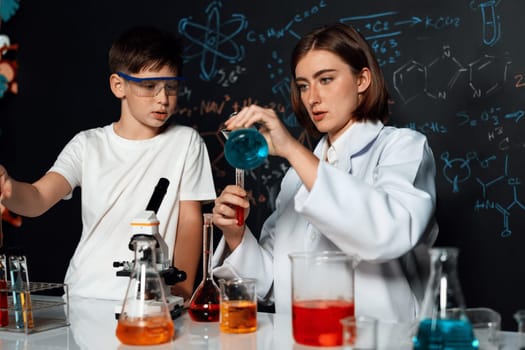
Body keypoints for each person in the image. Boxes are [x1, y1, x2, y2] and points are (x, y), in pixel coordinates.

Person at [211, 23, 438, 323]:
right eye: (303, 85)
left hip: (382, 339)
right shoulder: (296, 177)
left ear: (362, 80)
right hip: (304, 338)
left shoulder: (402, 148)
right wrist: (236, 236)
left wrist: (292, 149)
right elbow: (273, 283)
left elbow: (387, 234)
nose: (312, 98)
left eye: (326, 79)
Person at [0, 26, 216, 302]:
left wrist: (182, 291)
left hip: (150, 300)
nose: (163, 98)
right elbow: (38, 198)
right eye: (149, 86)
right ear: (119, 85)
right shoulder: (87, 144)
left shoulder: (186, 142)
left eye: (171, 87)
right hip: (84, 294)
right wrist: (9, 188)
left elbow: (189, 220)